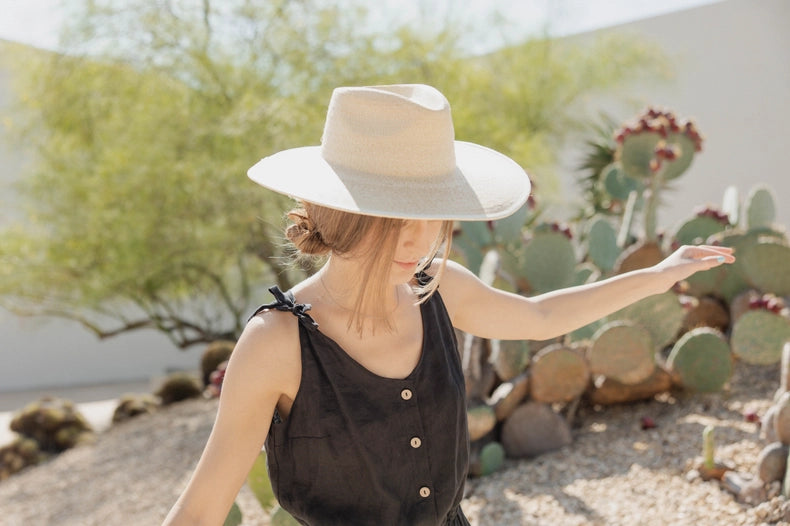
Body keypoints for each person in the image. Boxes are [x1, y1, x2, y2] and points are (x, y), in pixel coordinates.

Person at [163, 84, 733, 526]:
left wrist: (656, 278)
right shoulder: (276, 343)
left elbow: (540, 317)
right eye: (395, 219)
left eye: (433, 214)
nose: (419, 240)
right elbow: (201, 510)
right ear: (341, 213)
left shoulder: (438, 289)